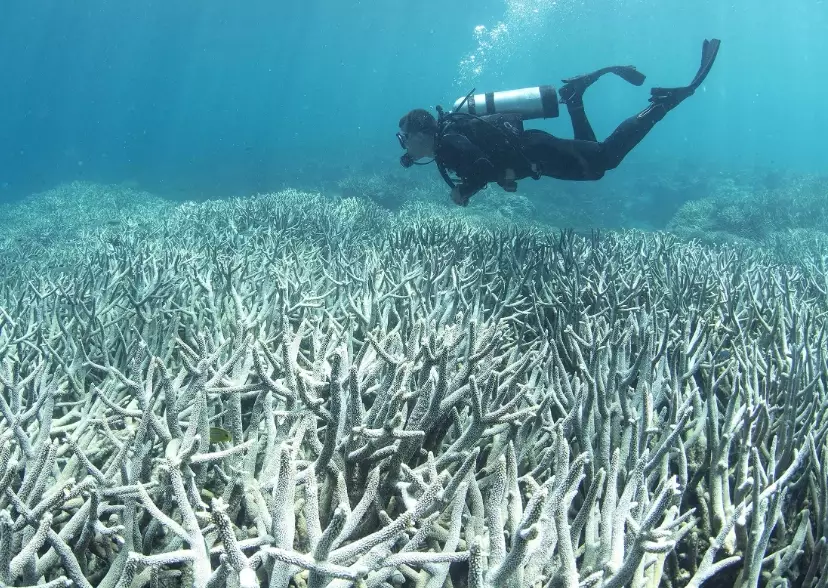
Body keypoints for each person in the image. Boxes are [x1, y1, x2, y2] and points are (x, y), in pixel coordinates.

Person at [396, 39, 721, 206]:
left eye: (405, 138)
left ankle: (661, 106)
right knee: (594, 161)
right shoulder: (445, 140)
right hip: (532, 152)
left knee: (604, 160)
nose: (404, 144)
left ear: (423, 133)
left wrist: (463, 191)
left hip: (537, 151)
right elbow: (487, 162)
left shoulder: (450, 143)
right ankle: (575, 98)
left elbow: (480, 166)